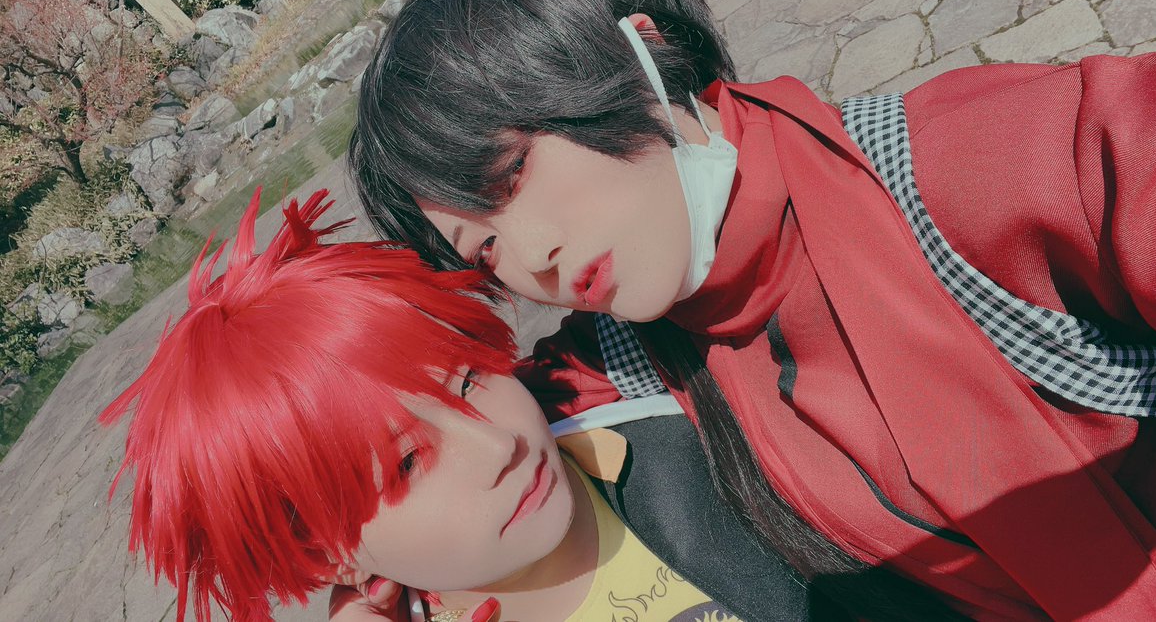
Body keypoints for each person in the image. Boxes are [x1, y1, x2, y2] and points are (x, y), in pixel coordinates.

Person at [347, 0, 1156, 619]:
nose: (533, 253)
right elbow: (411, 422)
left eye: (514, 170)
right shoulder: (633, 357)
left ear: (641, 52)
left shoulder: (969, 171)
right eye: (485, 249)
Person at [100, 189, 812, 622]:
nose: (499, 445)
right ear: (328, 555)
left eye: (468, 380)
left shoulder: (645, 390)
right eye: (408, 463)